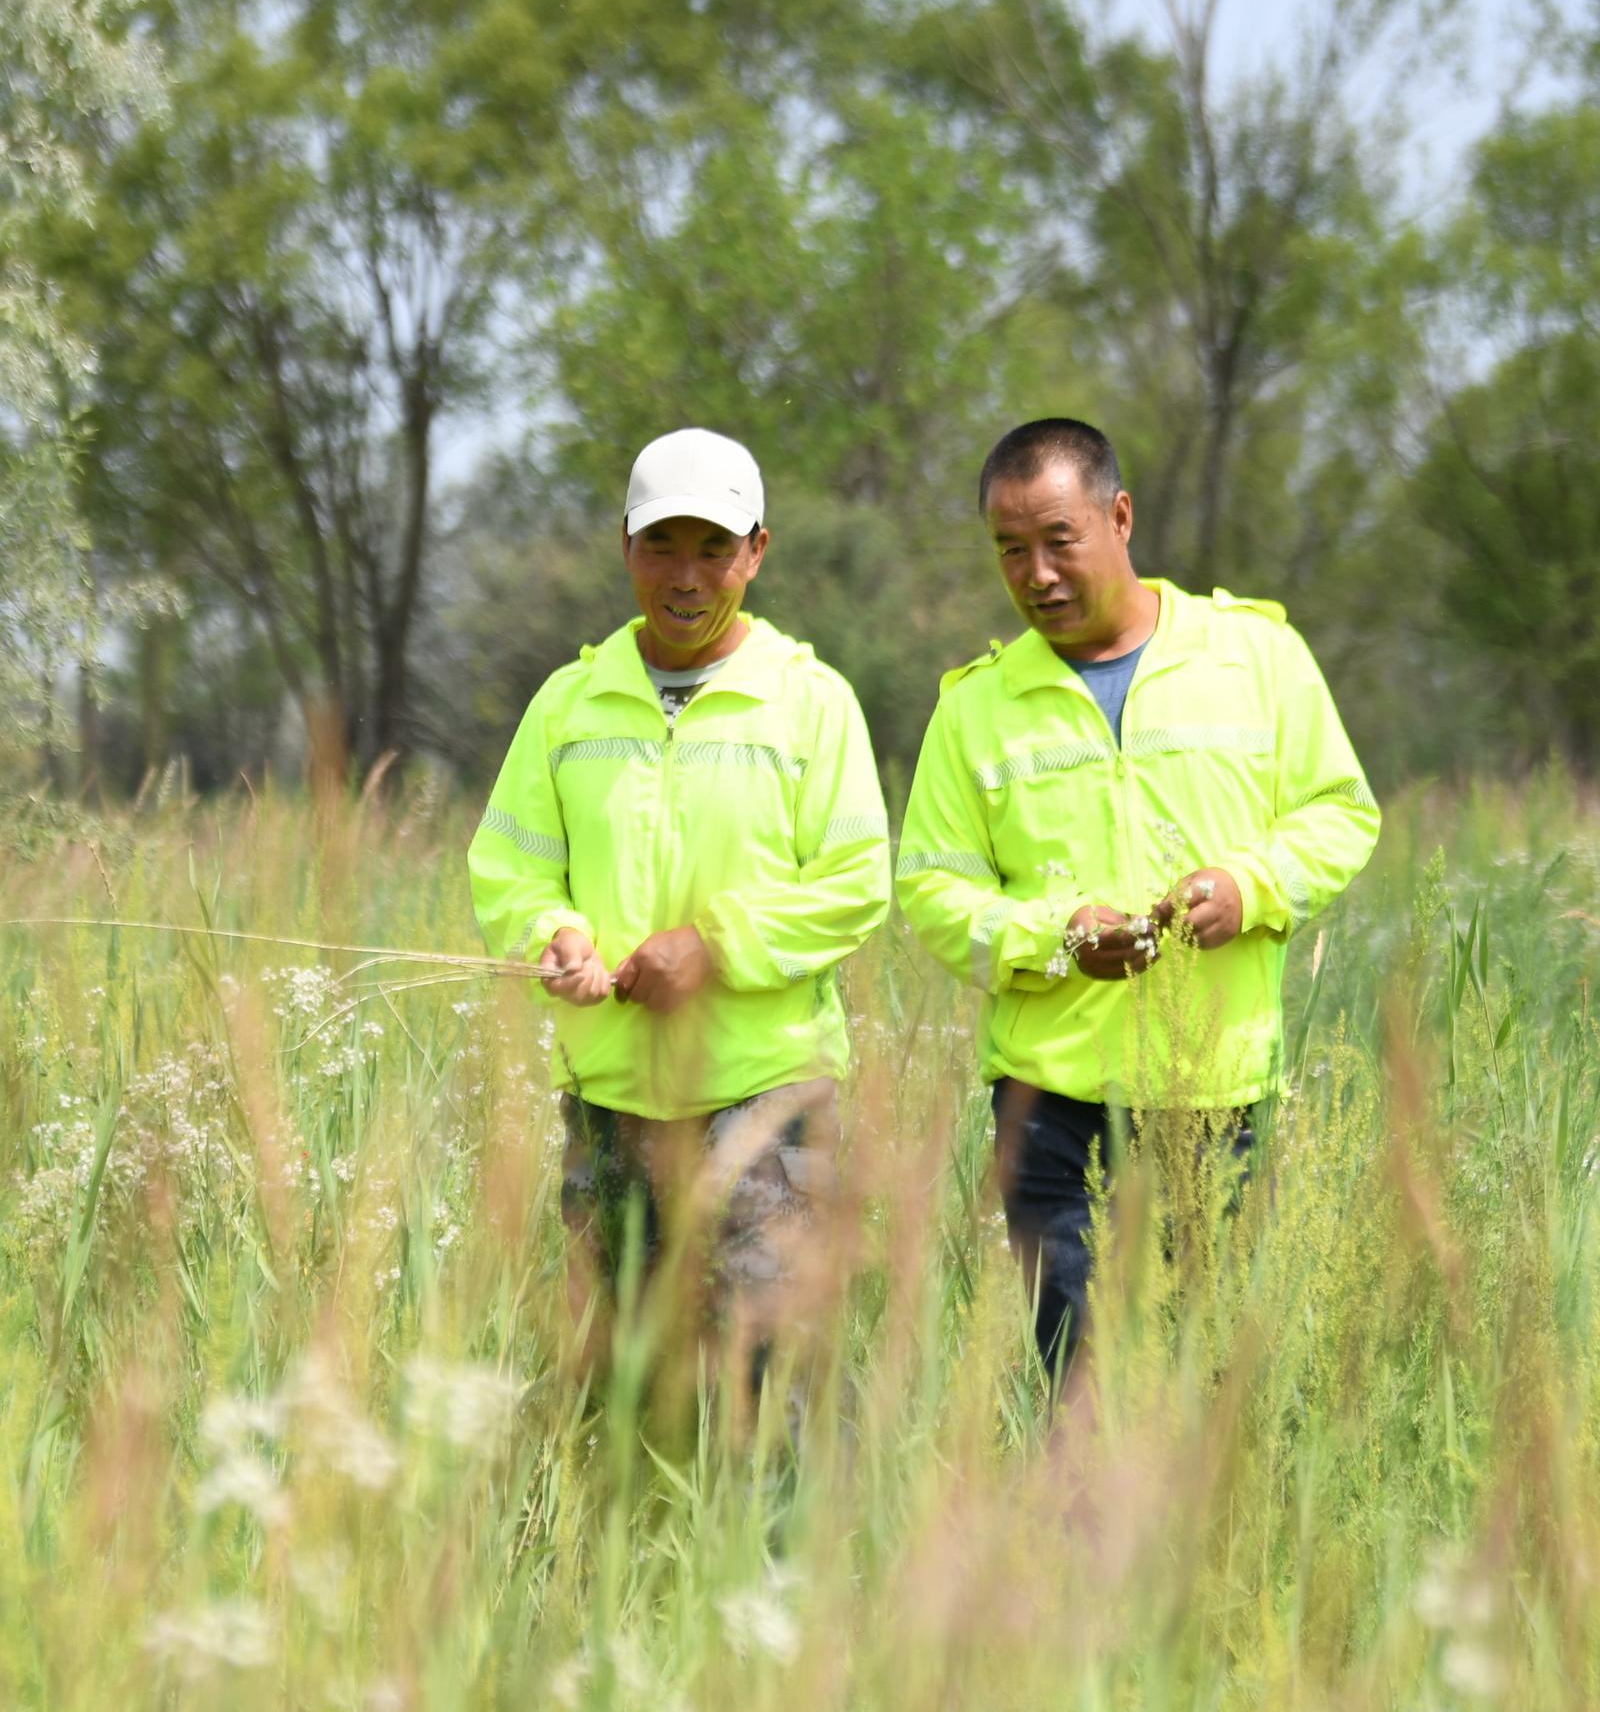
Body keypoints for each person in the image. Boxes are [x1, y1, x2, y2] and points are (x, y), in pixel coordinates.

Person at [895, 417, 1380, 1386]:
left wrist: (1250, 888)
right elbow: (932, 890)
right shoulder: (973, 707)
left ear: (1119, 517)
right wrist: (1055, 935)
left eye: (1057, 541)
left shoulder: (1255, 657)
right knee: (1082, 1389)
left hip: (1215, 1095)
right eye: (1009, 550)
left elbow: (1339, 814)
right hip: (1048, 1105)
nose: (1034, 573)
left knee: (1202, 1387)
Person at [468, 427, 890, 1409]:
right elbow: (509, 868)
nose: (686, 575)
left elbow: (855, 879)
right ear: (625, 547)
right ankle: (633, 1566)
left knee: (770, 1387)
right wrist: (554, 937)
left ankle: (788, 1564)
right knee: (616, 1384)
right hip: (611, 1105)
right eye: (662, 546)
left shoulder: (810, 703)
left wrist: (716, 947)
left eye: (713, 548)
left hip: (763, 1107)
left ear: (757, 551)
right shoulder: (568, 705)